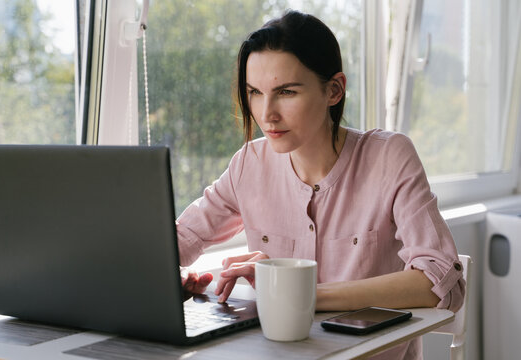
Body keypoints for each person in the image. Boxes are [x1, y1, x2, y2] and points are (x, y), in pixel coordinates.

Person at [177, 10, 465, 359]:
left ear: (334, 90)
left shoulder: (390, 157)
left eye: (285, 91)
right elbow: (178, 241)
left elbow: (440, 281)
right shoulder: (248, 165)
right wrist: (165, 281)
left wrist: (297, 292)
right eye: (255, 92)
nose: (267, 113)